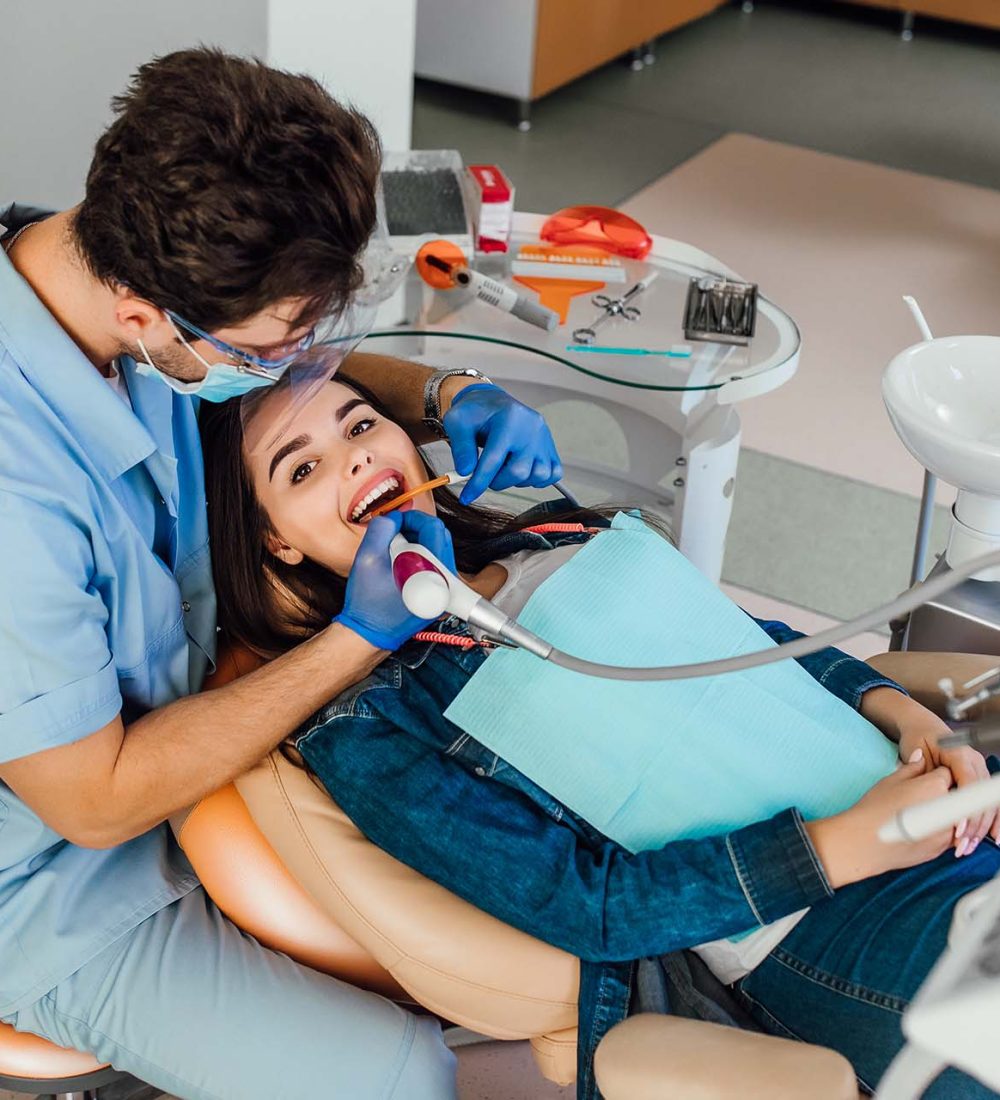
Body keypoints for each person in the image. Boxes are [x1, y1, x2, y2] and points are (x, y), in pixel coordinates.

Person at [0, 48, 566, 1100]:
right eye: (273, 348)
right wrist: (361, 635)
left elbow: (301, 370)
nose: (309, 366)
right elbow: (95, 799)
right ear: (144, 317)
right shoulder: (15, 496)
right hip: (57, 878)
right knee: (392, 1073)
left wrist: (444, 393)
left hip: (211, 747)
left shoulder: (96, 251)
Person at [201, 373, 1000, 1100]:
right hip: (820, 917)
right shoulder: (372, 726)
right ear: (278, 543)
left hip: (935, 795)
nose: (351, 459)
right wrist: (847, 846)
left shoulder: (558, 534)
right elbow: (589, 907)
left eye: (360, 424)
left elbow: (762, 644)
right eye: (299, 469)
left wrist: (911, 720)